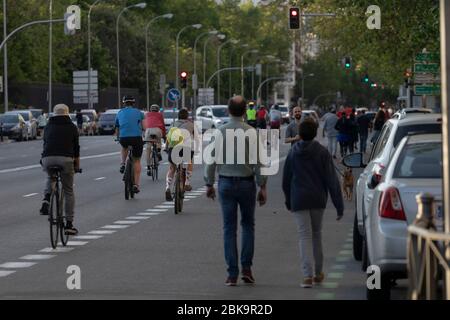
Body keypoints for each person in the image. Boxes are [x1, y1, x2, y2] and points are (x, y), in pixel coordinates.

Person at [205, 96, 268, 286]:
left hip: (225, 183)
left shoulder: (220, 131)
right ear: (244, 112)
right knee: (248, 226)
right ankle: (246, 269)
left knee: (228, 229)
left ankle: (232, 274)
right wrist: (262, 185)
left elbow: (211, 160)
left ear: (228, 110)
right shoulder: (252, 132)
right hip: (247, 184)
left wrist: (209, 184)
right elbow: (260, 161)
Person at [282, 119, 344, 288]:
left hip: (298, 199)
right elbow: (332, 180)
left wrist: (288, 200)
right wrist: (339, 205)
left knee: (304, 236)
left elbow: (286, 180)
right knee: (317, 234)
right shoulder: (323, 153)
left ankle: (307, 276)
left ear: (299, 134)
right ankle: (318, 273)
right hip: (318, 199)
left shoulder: (293, 153)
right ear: (316, 133)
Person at [39, 104, 80, 236]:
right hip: (66, 159)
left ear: (54, 114)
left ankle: (46, 198)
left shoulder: (48, 126)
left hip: (47, 159)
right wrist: (77, 166)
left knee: (50, 177)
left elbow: (45, 144)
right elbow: (76, 150)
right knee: (68, 190)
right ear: (67, 114)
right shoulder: (72, 127)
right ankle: (69, 225)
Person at [165, 108, 200, 198]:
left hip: (173, 148)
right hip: (186, 148)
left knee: (172, 168)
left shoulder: (173, 124)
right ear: (187, 116)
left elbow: (168, 139)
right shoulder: (191, 125)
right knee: (189, 162)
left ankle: (168, 187)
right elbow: (196, 138)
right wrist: (197, 149)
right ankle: (187, 182)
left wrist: (166, 148)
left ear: (178, 116)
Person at [115, 95, 144, 194]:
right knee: (137, 161)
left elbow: (117, 127)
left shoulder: (120, 112)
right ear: (133, 103)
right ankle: (136, 184)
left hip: (124, 138)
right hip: (136, 138)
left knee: (124, 147)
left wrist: (118, 138)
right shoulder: (139, 112)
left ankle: (122, 164)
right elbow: (144, 126)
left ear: (124, 103)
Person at [143, 104, 166, 174]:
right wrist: (164, 136)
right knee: (158, 141)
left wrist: (144, 134)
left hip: (148, 131)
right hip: (157, 130)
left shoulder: (146, 114)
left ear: (150, 109)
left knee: (148, 148)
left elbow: (144, 124)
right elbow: (163, 125)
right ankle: (158, 151)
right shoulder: (160, 115)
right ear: (158, 109)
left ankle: (148, 167)